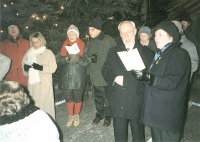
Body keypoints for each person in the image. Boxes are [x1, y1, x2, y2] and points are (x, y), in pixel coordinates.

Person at [132, 21, 191, 142]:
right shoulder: (161, 54)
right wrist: (142, 75)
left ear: (171, 37)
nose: (156, 37)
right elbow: (154, 77)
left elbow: (171, 82)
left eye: (160, 35)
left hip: (167, 116)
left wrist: (148, 77)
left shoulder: (179, 54)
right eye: (155, 34)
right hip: (158, 114)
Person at [101, 21, 154, 142]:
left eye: (129, 32)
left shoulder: (147, 53)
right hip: (118, 100)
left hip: (136, 101)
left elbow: (152, 77)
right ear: (120, 35)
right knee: (119, 136)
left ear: (135, 32)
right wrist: (115, 78)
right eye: (123, 33)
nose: (126, 36)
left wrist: (138, 78)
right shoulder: (113, 51)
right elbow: (105, 69)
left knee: (138, 135)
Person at [57, 25, 90, 127]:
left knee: (77, 97)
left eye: (73, 33)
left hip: (78, 77)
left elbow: (87, 61)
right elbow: (57, 60)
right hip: (66, 77)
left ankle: (77, 115)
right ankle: (70, 115)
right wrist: (66, 59)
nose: (71, 35)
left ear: (77, 35)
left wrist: (78, 58)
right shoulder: (63, 46)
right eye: (70, 33)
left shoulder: (84, 45)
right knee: (68, 97)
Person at [87, 17, 117, 127]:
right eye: (89, 30)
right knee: (97, 97)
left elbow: (116, 55)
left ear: (98, 29)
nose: (89, 32)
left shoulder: (108, 40)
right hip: (94, 74)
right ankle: (99, 113)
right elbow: (88, 57)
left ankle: (108, 115)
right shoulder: (91, 42)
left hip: (105, 75)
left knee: (107, 97)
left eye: (92, 30)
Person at [22, 32, 57, 120]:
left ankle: (49, 125)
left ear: (41, 41)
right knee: (35, 108)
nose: (35, 44)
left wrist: (40, 67)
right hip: (33, 85)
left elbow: (53, 68)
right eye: (33, 42)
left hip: (44, 84)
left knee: (46, 108)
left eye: (37, 42)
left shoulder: (48, 52)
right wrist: (26, 68)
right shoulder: (28, 53)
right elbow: (25, 71)